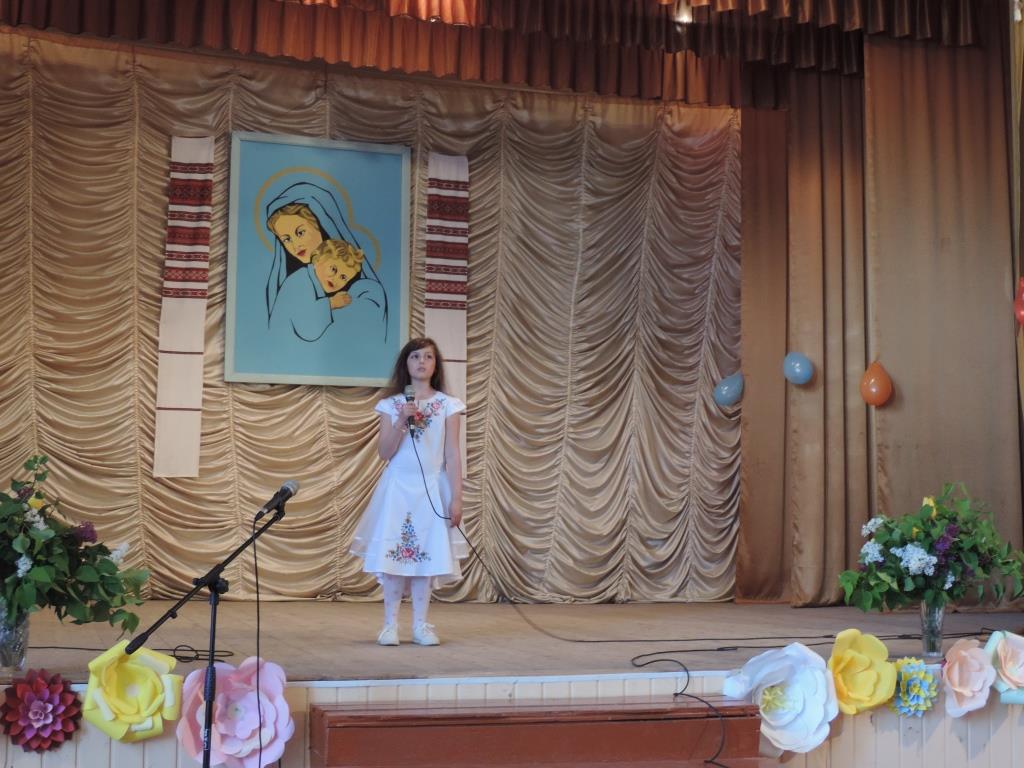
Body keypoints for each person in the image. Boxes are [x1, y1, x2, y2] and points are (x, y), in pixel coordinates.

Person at [349, 338, 468, 646]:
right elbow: (385, 452)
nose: (421, 362)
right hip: (398, 488)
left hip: (432, 486)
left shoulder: (448, 405)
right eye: (415, 356)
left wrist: (456, 498)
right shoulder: (391, 405)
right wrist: (402, 419)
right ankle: (390, 626)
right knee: (394, 555)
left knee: (425, 557)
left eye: (428, 357)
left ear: (436, 365)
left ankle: (421, 626)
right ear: (406, 363)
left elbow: (452, 454)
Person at [263, 181, 388, 338]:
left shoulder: (366, 290)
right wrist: (331, 304)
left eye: (300, 233)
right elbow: (302, 328)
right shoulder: (298, 280)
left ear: (320, 223)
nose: (295, 245)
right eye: (286, 239)